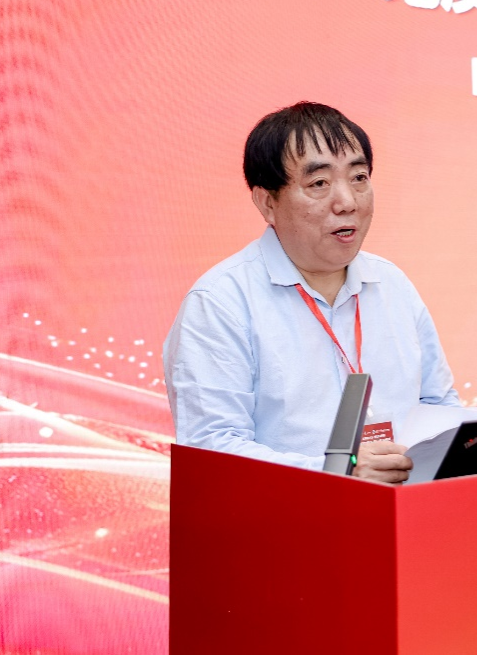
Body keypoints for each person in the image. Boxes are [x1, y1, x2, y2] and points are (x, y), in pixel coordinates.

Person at [163, 102, 460, 484]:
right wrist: (338, 473)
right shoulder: (220, 303)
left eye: (359, 177)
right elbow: (212, 450)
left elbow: (439, 404)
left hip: (402, 511)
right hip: (285, 518)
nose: (348, 202)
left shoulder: (393, 285)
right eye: (319, 184)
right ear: (267, 202)